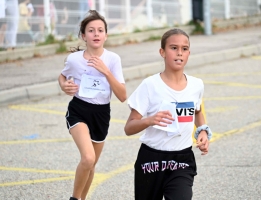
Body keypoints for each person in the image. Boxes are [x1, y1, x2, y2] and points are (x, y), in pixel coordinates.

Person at [124, 28, 212, 200]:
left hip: (182, 159)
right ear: (162, 52)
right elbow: (129, 128)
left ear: (189, 53)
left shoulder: (196, 85)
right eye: (173, 48)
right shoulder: (150, 85)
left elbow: (198, 111)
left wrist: (202, 131)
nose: (179, 53)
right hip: (151, 160)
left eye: (184, 49)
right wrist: (149, 120)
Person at [58, 10, 127, 200]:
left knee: (92, 164)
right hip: (79, 110)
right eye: (91, 30)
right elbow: (63, 75)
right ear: (83, 36)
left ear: (106, 35)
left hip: (101, 113)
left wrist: (106, 72)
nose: (96, 34)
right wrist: (64, 85)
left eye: (100, 30)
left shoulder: (113, 59)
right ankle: (74, 198)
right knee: (87, 158)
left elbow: (122, 96)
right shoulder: (74, 59)